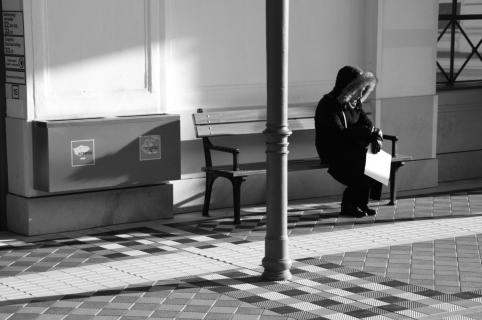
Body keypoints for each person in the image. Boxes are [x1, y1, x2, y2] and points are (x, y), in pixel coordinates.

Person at [315, 66, 383, 218]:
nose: (360, 93)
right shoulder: (328, 105)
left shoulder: (354, 103)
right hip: (332, 150)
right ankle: (348, 205)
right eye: (358, 88)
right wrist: (367, 133)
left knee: (377, 157)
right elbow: (338, 134)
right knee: (361, 161)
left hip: (351, 148)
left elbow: (367, 124)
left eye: (362, 89)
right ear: (347, 87)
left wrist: (376, 136)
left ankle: (361, 202)